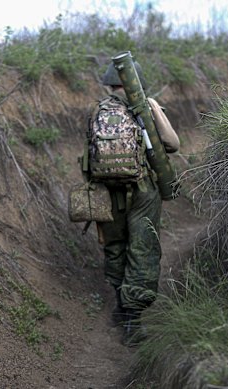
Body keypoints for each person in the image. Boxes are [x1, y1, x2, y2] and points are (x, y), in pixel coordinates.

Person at [91, 60, 180, 345]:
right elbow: (172, 143)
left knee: (115, 246)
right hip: (143, 190)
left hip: (108, 191)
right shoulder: (143, 108)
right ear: (135, 81)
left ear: (108, 83)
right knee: (142, 249)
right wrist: (154, 107)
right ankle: (133, 322)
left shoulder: (97, 110)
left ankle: (120, 307)